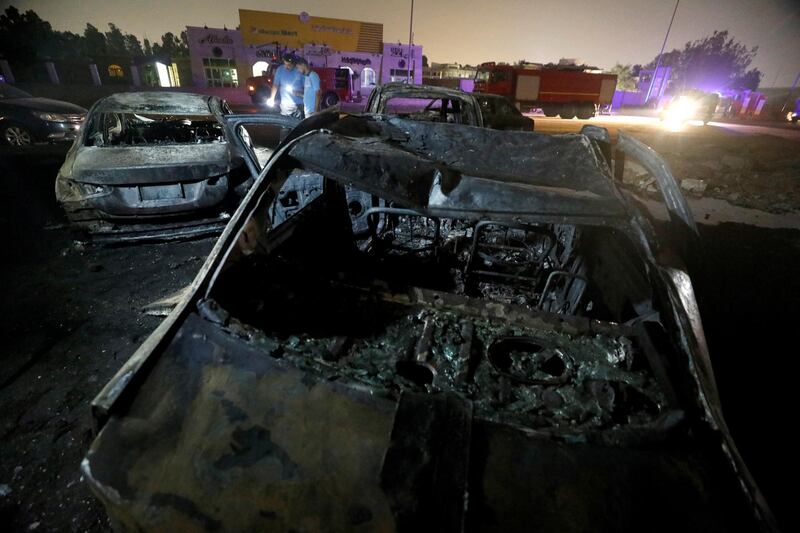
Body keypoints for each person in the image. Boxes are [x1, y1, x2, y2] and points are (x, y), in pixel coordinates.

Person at [267, 54, 304, 118]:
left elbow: (306, 87)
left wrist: (299, 93)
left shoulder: (299, 70)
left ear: (294, 64)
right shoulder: (280, 69)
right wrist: (272, 98)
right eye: (285, 64)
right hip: (285, 106)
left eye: (289, 65)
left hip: (298, 105)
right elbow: (275, 84)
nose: (286, 67)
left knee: (298, 126)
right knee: (285, 127)